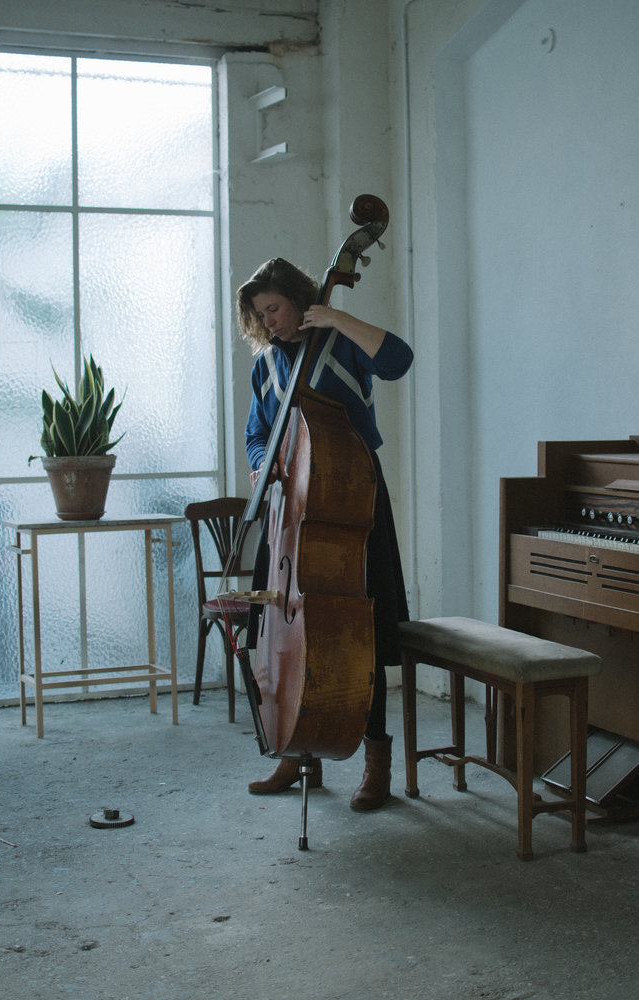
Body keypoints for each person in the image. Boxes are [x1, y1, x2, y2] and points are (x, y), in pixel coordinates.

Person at [236, 257, 413, 811]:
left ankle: (377, 762)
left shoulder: (341, 344)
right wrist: (264, 464)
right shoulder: (266, 365)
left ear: (299, 300)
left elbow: (399, 360)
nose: (269, 322)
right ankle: (296, 751)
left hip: (350, 500)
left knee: (359, 633)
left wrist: (337, 318)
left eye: (275, 309)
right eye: (261, 314)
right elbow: (257, 433)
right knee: (278, 629)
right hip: (290, 510)